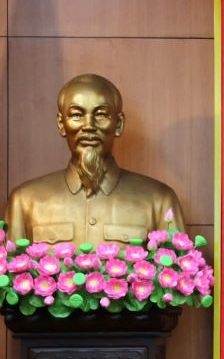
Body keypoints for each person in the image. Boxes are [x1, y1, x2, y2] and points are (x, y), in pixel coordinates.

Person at [4, 73, 185, 246]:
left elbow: (179, 274)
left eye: (101, 114)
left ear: (118, 124)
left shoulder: (159, 200)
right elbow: (10, 274)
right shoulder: (25, 201)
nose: (89, 126)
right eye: (76, 114)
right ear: (61, 124)